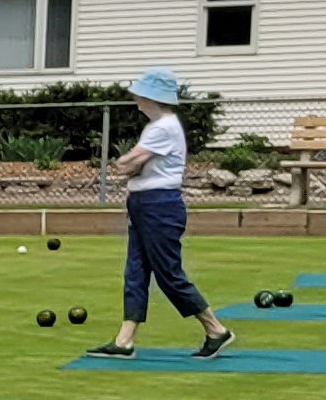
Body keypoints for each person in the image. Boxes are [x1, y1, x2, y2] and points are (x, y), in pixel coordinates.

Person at [96, 68, 231, 359]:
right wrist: (132, 164)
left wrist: (127, 162)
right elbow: (134, 164)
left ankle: (216, 329)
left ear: (151, 97)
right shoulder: (158, 126)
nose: (136, 99)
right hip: (144, 203)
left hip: (159, 205)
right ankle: (124, 341)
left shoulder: (163, 127)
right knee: (135, 271)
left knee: (168, 274)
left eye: (139, 94)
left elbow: (128, 162)